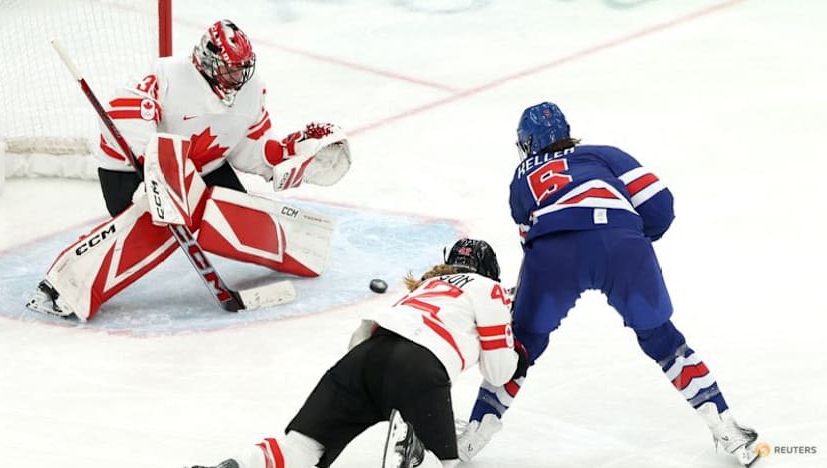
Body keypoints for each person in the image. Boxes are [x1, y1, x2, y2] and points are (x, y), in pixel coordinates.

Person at [457, 102, 761, 466]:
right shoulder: (604, 154)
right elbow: (660, 206)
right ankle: (728, 430)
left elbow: (529, 240)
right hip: (621, 244)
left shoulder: (522, 176)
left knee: (522, 346)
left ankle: (473, 438)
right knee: (662, 338)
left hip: (554, 253)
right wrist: (629, 238)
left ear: (528, 143)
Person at [26, 19, 351, 321]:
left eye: (242, 68)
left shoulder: (251, 90)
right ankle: (66, 286)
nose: (239, 77)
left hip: (203, 167)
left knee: (236, 217)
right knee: (154, 224)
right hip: (130, 172)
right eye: (230, 69)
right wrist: (149, 167)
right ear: (208, 63)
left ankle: (302, 247)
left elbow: (248, 149)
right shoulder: (167, 76)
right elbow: (122, 112)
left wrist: (287, 154)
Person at [186, 238, 528, 468]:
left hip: (362, 360)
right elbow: (498, 371)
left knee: (300, 452)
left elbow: (358, 339)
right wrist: (518, 355)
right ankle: (411, 428)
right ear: (490, 272)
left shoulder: (427, 285)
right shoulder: (490, 288)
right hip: (420, 371)